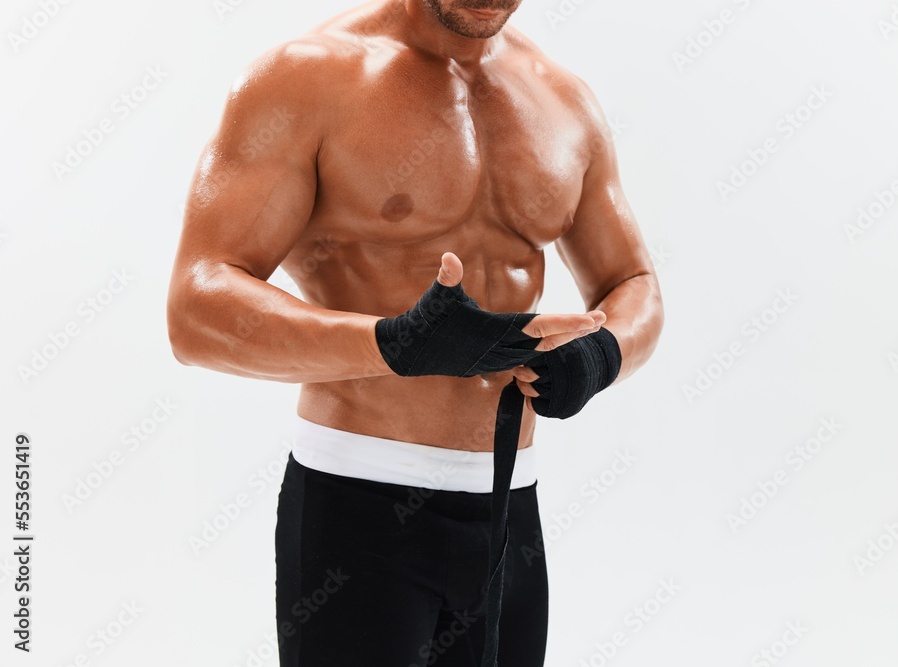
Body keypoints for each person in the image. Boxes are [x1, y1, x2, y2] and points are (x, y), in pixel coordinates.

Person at [166, 0, 663, 664]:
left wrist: (599, 355)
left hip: (509, 511)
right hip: (359, 506)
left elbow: (634, 282)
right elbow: (195, 307)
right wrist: (392, 343)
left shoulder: (563, 99)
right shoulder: (306, 79)